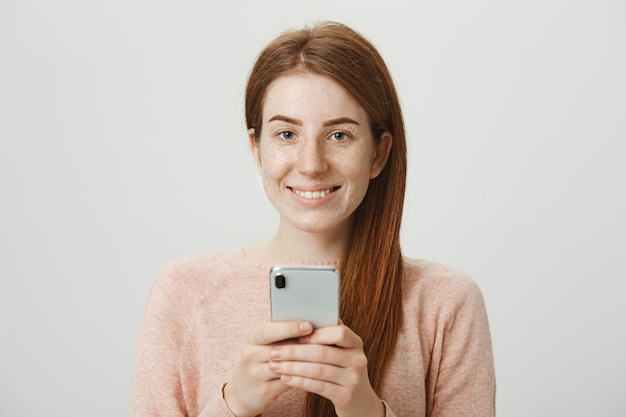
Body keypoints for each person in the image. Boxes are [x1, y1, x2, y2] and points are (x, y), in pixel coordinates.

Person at [129, 21, 496, 417]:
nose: (311, 165)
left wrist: (366, 411)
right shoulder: (184, 291)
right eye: (287, 134)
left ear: (379, 154)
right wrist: (233, 404)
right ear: (256, 149)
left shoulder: (446, 303)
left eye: (339, 136)